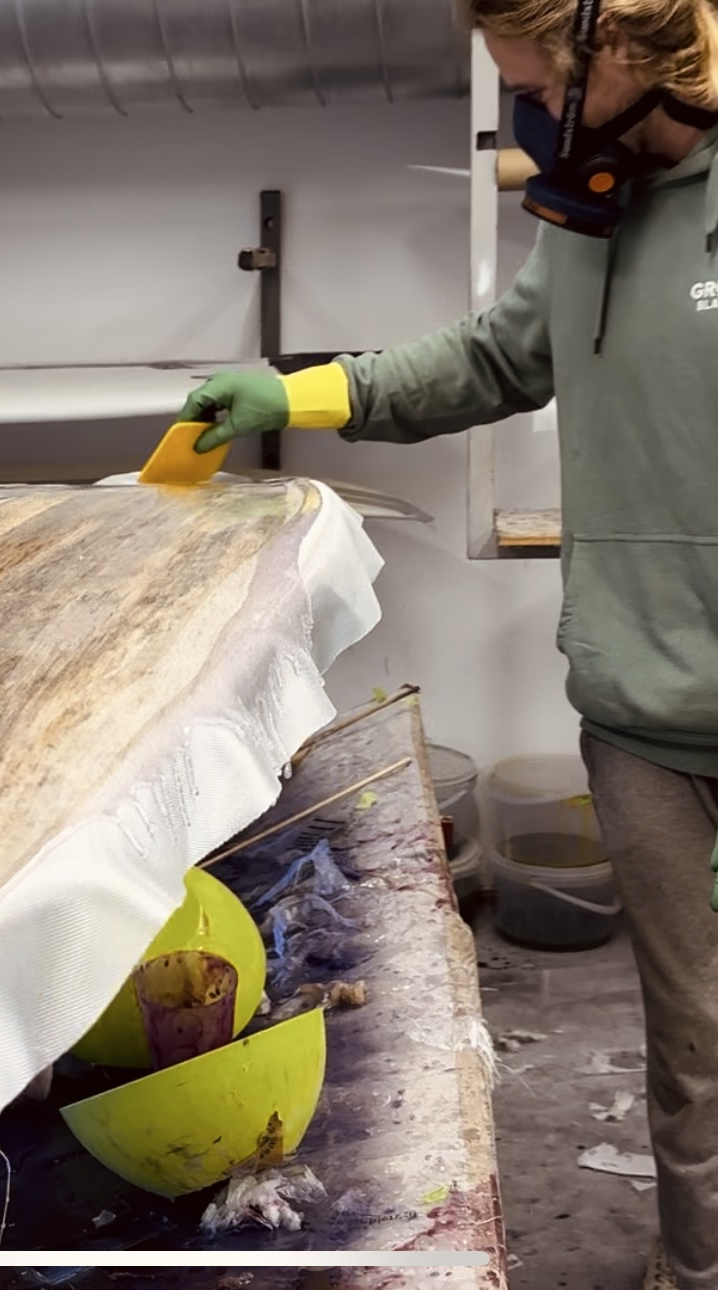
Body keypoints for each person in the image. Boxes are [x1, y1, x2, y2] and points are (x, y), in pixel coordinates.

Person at [176, 2, 718, 1287]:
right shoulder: (591, 213)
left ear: (620, 50)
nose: (521, 105)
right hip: (642, 715)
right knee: (697, 1041)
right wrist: (304, 390)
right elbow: (492, 358)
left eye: (530, 76)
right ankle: (697, 1267)